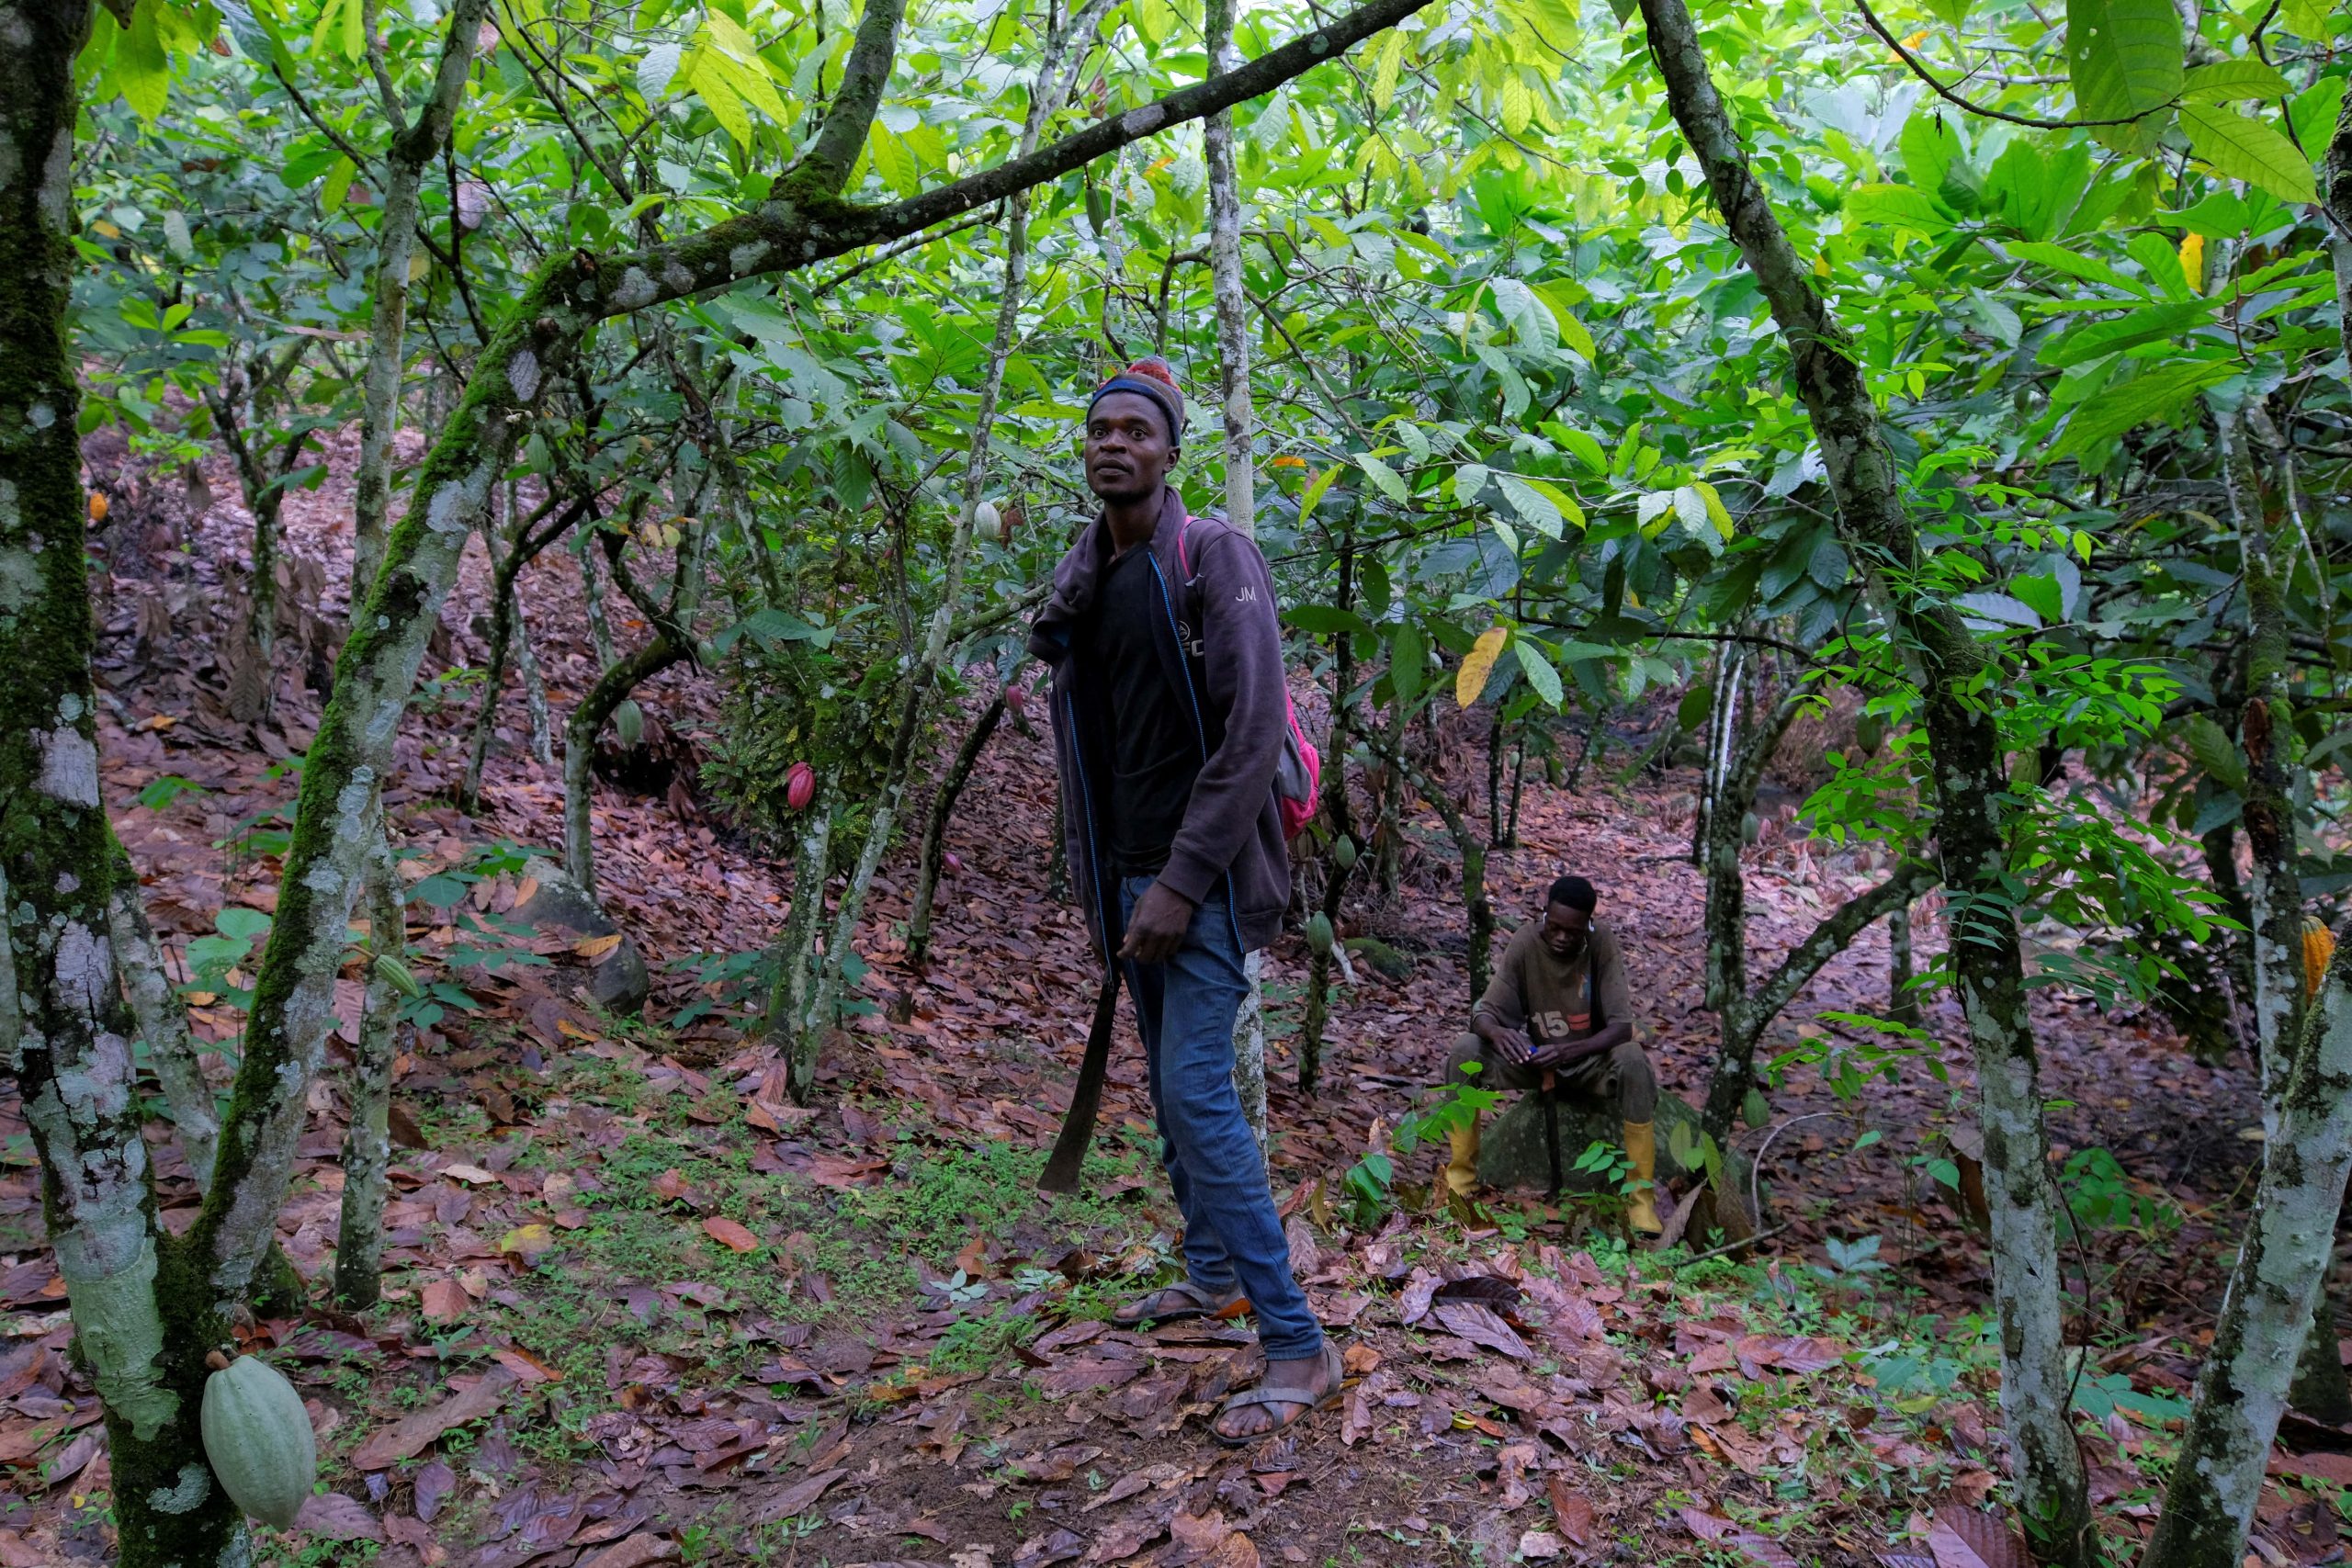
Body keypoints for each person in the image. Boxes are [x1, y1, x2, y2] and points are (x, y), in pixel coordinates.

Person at [1028, 355, 1340, 1443]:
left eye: (1136, 431)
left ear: (1170, 451)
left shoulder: (1216, 557)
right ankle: (1211, 1277)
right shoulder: (1088, 575)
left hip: (1195, 881)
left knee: (1199, 1092)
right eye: (1100, 430)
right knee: (1170, 1093)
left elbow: (1251, 734)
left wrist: (1177, 882)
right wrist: (1111, 889)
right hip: (1126, 876)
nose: (1114, 444)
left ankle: (1298, 1341)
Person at [1442, 874, 1663, 1235]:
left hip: (1590, 1062)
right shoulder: (1526, 942)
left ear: (1588, 926)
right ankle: (1460, 1181)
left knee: (1633, 1060)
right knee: (1465, 1050)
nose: (1561, 937)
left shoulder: (1601, 943)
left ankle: (1640, 1202)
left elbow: (1622, 1027)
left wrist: (1569, 1051)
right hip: (1538, 1062)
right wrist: (1499, 1033)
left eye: (1572, 932)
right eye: (1554, 927)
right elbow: (1483, 1013)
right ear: (1544, 915)